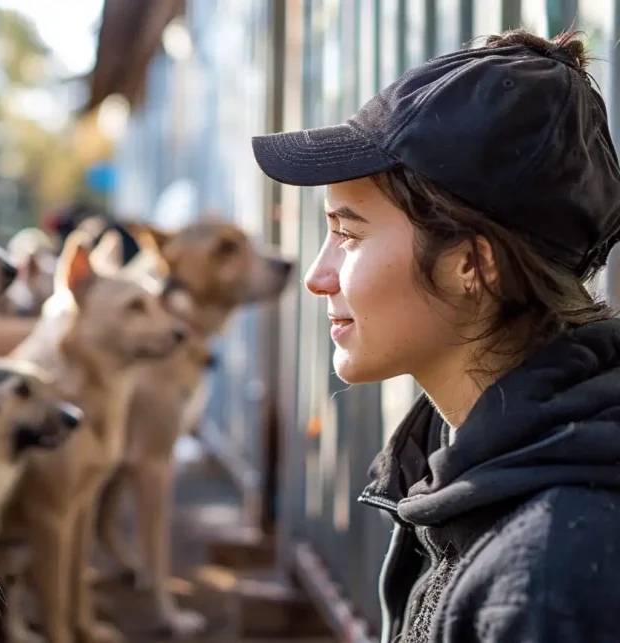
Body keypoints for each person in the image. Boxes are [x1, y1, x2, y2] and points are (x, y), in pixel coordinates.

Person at [253, 29, 620, 642]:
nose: (317, 278)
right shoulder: (459, 462)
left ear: (470, 264)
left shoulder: (547, 575)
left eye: (349, 235)